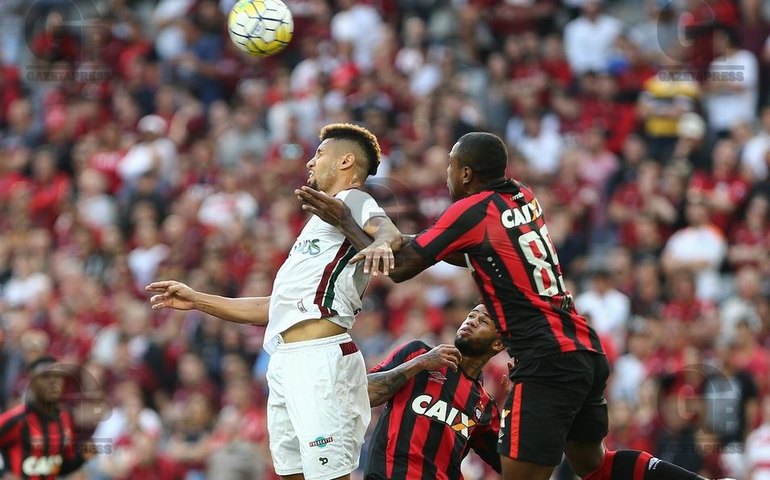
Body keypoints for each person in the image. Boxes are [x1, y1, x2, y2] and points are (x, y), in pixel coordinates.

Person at [296, 131, 733, 480]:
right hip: (584, 350)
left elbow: (401, 267)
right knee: (594, 465)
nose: (446, 176)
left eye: (450, 167)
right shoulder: (522, 197)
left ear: (466, 174)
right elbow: (437, 248)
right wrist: (386, 234)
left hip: (544, 362)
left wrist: (345, 220)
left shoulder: (471, 209)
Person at [146, 123, 401, 480]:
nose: (311, 163)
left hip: (320, 360)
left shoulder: (353, 199)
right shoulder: (319, 223)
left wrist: (381, 243)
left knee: (330, 475)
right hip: (285, 362)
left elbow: (389, 230)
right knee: (291, 474)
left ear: (346, 161)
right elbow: (270, 309)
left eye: (320, 154)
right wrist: (197, 299)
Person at [365, 304, 504, 480]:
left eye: (483, 321)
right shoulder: (418, 353)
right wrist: (420, 363)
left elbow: (514, 467)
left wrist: (521, 403)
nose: (471, 322)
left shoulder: (484, 406)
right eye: (471, 316)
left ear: (498, 344)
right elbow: (365, 393)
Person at [0, 356, 95, 479]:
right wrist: (4, 473)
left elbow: (59, 467)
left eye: (58, 376)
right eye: (46, 376)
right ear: (32, 381)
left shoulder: (66, 418)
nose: (53, 382)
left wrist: (82, 457)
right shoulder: (16, 419)